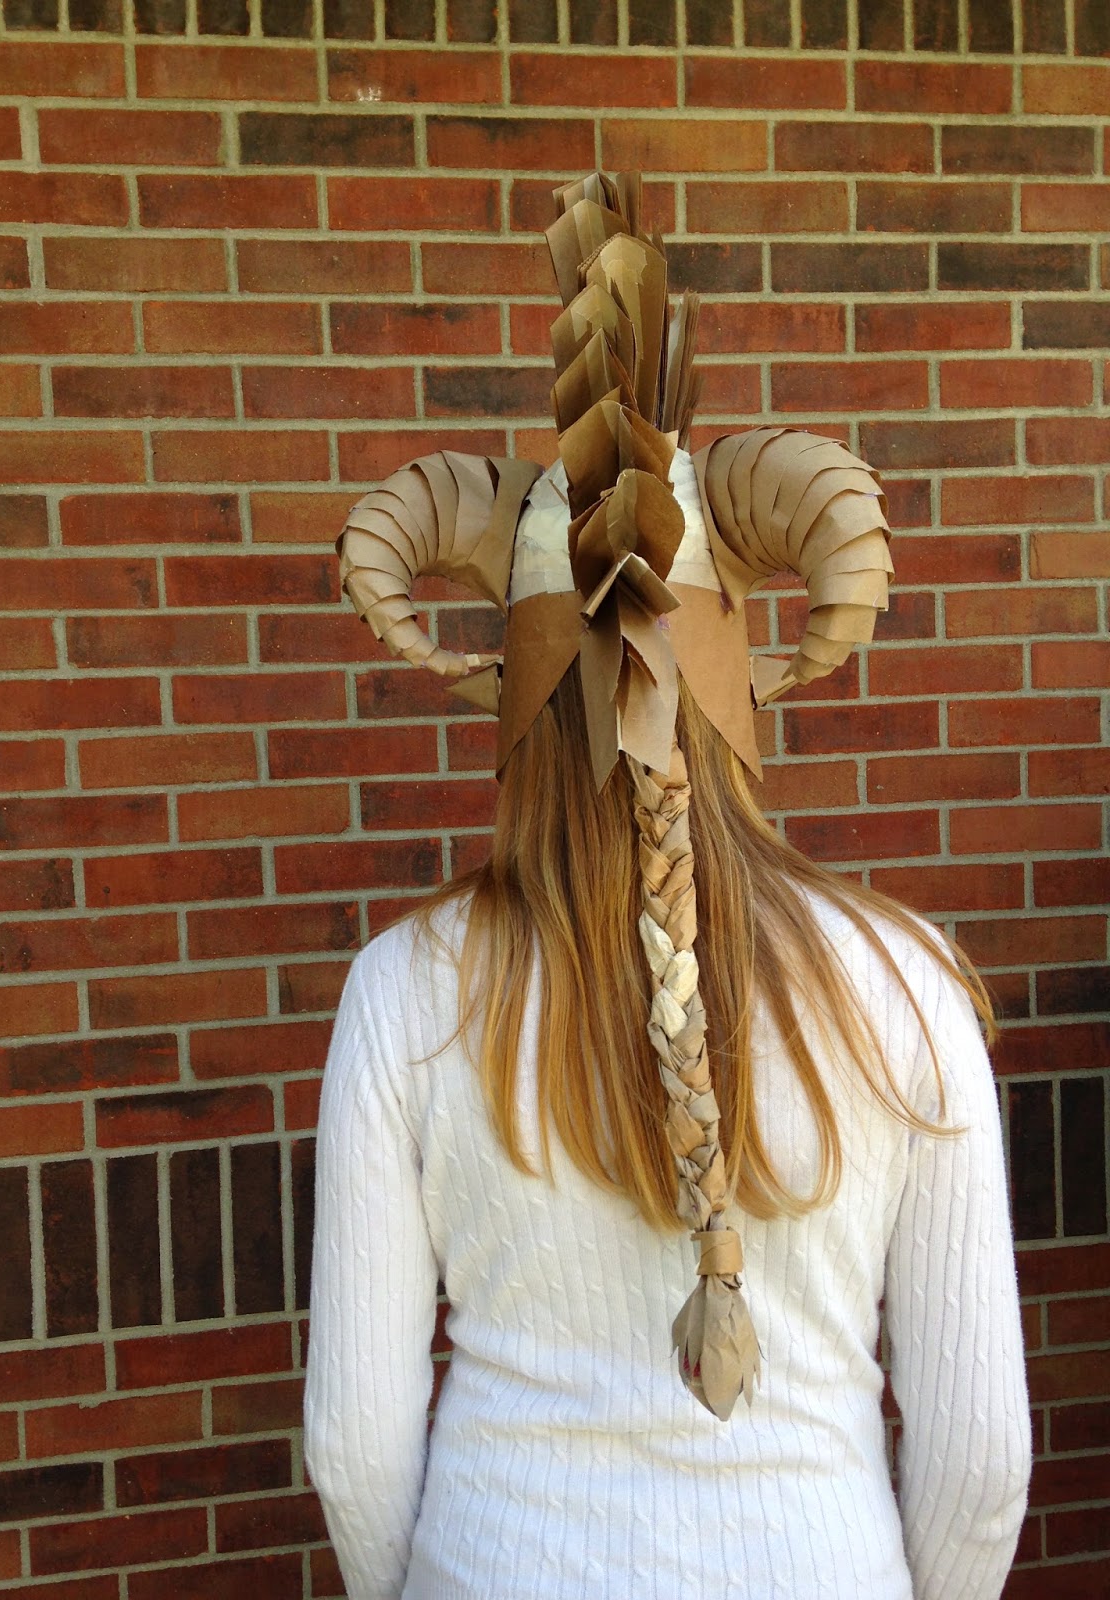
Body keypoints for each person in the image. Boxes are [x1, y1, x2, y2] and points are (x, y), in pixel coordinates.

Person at [303, 173, 1031, 1600]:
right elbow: (982, 1459)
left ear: (516, 711)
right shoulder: (909, 985)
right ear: (738, 686)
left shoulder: (406, 995)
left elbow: (353, 1446)